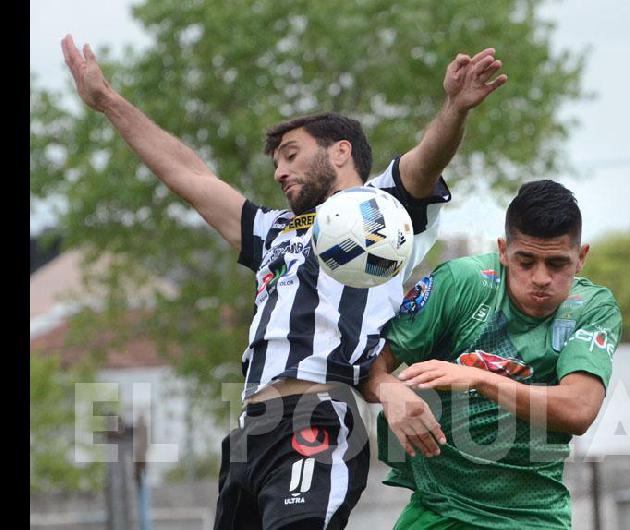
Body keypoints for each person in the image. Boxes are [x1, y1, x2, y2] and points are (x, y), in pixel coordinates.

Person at [61, 34, 507, 529]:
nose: (279, 171)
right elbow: (189, 175)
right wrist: (108, 102)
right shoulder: (273, 228)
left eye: (291, 155)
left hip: (315, 418)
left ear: (341, 152)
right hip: (249, 433)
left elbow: (428, 156)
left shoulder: (382, 206)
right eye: (275, 162)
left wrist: (455, 108)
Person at [361, 180, 623, 529]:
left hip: (532, 515)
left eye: (557, 264)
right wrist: (387, 389)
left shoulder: (592, 308)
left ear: (581, 258)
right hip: (440, 508)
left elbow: (579, 409)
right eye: (525, 261)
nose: (541, 278)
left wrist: (480, 378)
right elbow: (369, 367)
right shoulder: (461, 283)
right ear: (503, 250)